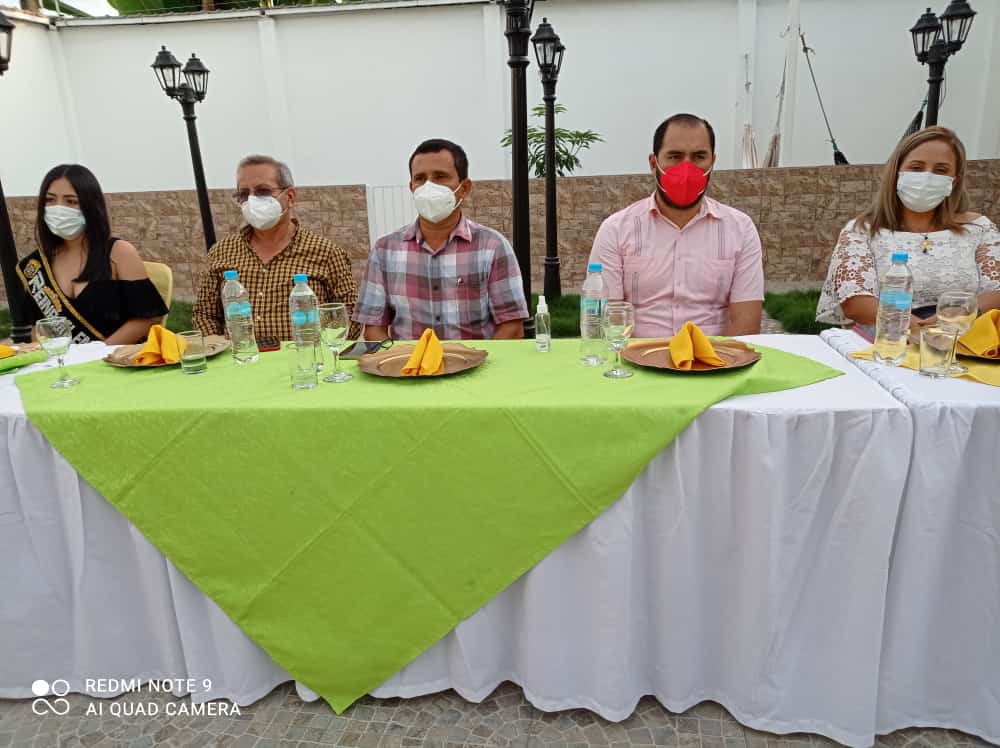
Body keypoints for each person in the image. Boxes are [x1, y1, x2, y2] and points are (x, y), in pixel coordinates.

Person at [588, 113, 763, 338]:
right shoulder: (616, 230)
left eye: (699, 156)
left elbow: (747, 324)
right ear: (654, 164)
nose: (687, 168)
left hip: (712, 356)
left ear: (712, 162)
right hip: (638, 355)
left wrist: (714, 358)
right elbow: (606, 321)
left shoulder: (740, 229)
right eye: (675, 156)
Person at [817, 126, 1000, 330]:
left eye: (941, 170)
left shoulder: (978, 229)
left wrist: (962, 313)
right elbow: (854, 302)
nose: (927, 177)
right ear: (897, 173)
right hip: (885, 340)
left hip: (962, 339)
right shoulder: (863, 231)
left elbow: (996, 292)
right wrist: (911, 325)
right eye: (916, 167)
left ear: (954, 180)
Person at [352, 138, 529, 340]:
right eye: (420, 178)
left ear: (464, 188)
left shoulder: (492, 247)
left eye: (440, 177)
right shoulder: (385, 250)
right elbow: (374, 329)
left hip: (475, 359)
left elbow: (511, 326)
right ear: (412, 187)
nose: (429, 186)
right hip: (410, 360)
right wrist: (396, 359)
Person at [193, 155, 359, 341]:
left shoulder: (326, 253)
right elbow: (204, 314)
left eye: (263, 191)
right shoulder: (221, 252)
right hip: (243, 355)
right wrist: (218, 347)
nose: (252, 200)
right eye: (244, 194)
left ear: (290, 197)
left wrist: (323, 348)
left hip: (306, 355)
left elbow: (351, 316)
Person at [15, 164, 167, 345]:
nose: (59, 208)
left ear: (90, 206)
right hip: (64, 359)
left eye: (71, 201)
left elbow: (145, 319)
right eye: (50, 199)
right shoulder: (37, 265)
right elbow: (38, 327)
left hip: (118, 357)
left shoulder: (119, 253)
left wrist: (97, 354)